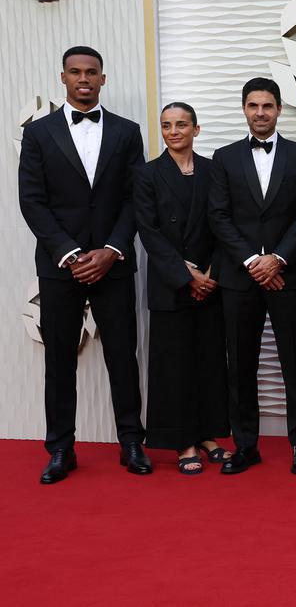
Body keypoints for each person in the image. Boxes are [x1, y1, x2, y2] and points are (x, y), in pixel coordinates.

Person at [18, 45, 150, 483]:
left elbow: (135, 198)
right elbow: (32, 201)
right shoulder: (39, 134)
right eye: (75, 72)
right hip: (61, 267)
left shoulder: (127, 132)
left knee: (123, 356)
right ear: (63, 78)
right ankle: (60, 449)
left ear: (103, 78)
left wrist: (111, 250)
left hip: (114, 264)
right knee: (59, 360)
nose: (84, 79)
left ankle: (131, 443)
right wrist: (70, 253)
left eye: (91, 72)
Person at [208, 77, 296, 475]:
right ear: (244, 109)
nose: (260, 112)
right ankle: (245, 446)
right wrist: (253, 261)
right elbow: (218, 216)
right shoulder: (223, 157)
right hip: (239, 279)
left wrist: (277, 258)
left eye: (267, 106)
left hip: (287, 275)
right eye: (253, 105)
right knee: (240, 365)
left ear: (279, 109)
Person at [134, 102, 230, 475]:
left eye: (181, 124)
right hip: (171, 282)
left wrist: (210, 273)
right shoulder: (147, 174)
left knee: (209, 362)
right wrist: (186, 274)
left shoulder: (213, 170)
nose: (173, 131)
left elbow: (223, 222)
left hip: (210, 281)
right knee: (173, 366)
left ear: (196, 129)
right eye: (166, 125)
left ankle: (207, 434)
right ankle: (183, 441)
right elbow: (148, 231)